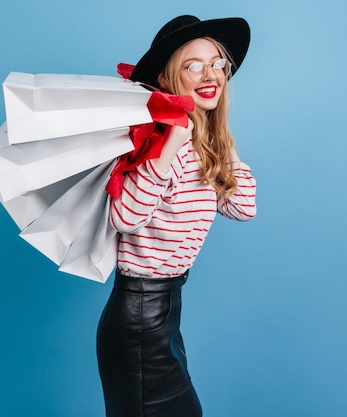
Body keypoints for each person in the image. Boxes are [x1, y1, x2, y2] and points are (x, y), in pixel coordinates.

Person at [96, 15, 257, 417]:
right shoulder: (158, 144)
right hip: (139, 317)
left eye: (217, 63)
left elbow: (243, 208)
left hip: (166, 313)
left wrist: (222, 137)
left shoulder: (204, 149)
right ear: (167, 82)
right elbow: (123, 217)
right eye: (193, 65)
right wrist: (170, 144)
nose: (211, 74)